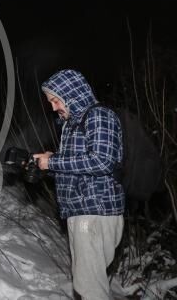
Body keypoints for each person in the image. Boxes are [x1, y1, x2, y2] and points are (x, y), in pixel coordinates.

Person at [34, 69, 125, 300]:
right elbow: (80, 168)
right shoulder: (73, 124)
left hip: (94, 211)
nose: (54, 107)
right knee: (89, 282)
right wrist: (49, 165)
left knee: (90, 288)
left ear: (71, 95)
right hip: (82, 210)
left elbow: (103, 161)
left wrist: (54, 161)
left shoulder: (98, 116)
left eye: (56, 100)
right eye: (51, 102)